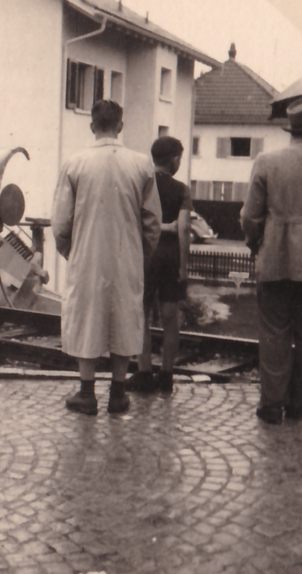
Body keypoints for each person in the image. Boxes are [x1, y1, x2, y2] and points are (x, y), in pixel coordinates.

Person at [51, 99, 161, 415]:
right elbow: (152, 221)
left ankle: (87, 392)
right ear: (121, 126)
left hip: (86, 254)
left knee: (86, 315)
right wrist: (142, 253)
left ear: (92, 126)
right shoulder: (141, 165)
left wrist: (70, 251)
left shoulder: (74, 164)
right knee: (125, 315)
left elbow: (61, 221)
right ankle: (118, 392)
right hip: (128, 253)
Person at [240, 95, 302, 425]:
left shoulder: (267, 161)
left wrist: (256, 242)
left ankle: (271, 405)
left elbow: (251, 216)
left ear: (292, 129)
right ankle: (297, 405)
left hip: (275, 259)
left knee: (273, 333)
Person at [127, 136, 192, 394]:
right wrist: (184, 268)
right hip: (170, 255)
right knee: (170, 318)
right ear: (174, 159)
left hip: (145, 255)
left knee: (141, 315)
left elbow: (133, 221)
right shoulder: (182, 190)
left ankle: (143, 373)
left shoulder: (141, 185)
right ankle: (166, 377)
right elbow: (184, 228)